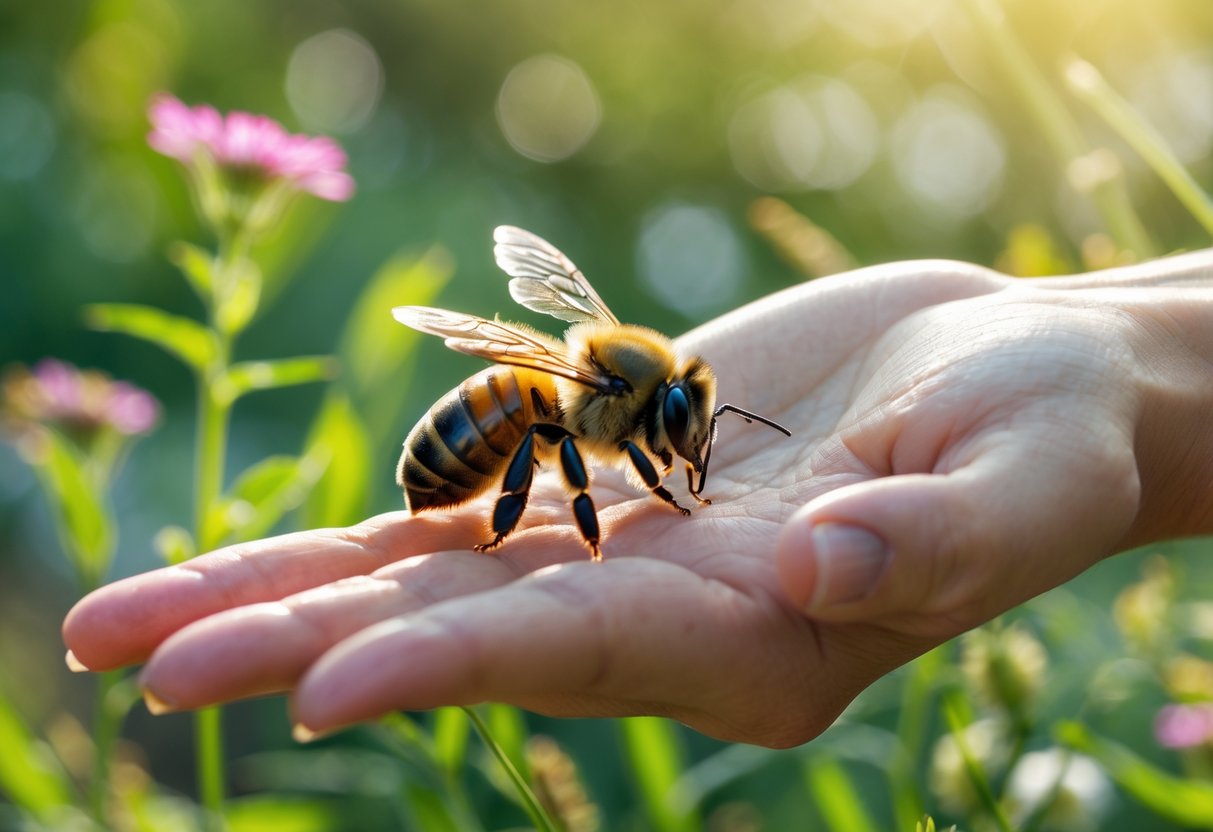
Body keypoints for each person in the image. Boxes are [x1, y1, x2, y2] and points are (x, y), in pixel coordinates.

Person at [62, 250, 1213, 748]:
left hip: (516, 410)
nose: (682, 445)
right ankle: (501, 514)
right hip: (480, 430)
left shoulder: (644, 392)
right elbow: (589, 437)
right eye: (678, 433)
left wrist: (1126, 345)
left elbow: (637, 432)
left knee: (542, 427)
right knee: (530, 426)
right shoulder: (603, 397)